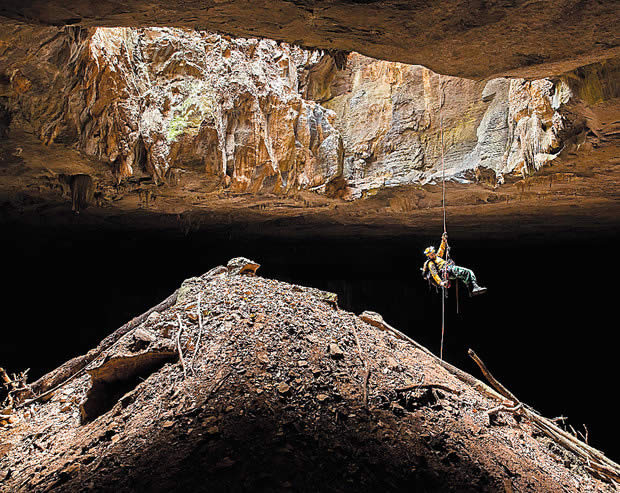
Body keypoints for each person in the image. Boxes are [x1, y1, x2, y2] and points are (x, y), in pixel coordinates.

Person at [422, 233, 487, 296]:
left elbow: (441, 249)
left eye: (433, 253)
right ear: (428, 256)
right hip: (448, 271)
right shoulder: (430, 263)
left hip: (449, 269)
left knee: (464, 276)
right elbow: (434, 274)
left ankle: (472, 290)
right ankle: (475, 287)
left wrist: (443, 240)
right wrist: (441, 283)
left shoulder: (437, 256)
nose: (433, 255)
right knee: (468, 272)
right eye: (431, 255)